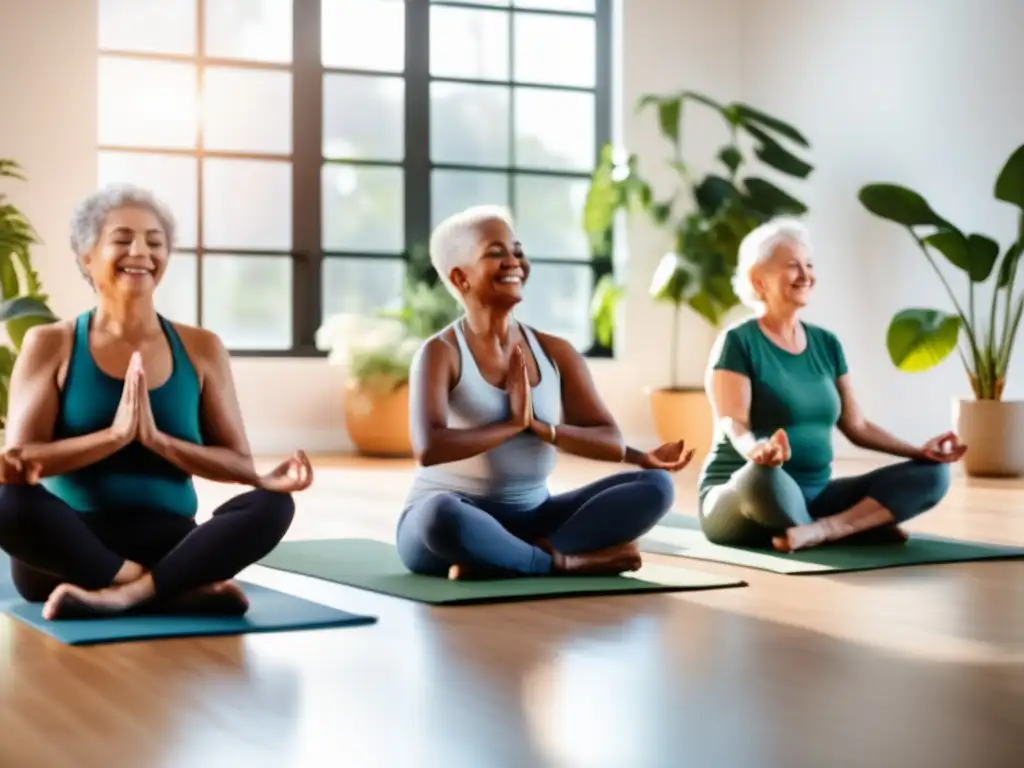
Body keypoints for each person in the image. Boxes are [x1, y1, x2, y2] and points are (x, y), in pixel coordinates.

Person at [0, 183, 313, 620]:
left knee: (274, 503)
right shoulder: (51, 343)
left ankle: (128, 593)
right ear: (86, 256)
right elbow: (17, 463)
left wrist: (158, 441)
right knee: (4, 499)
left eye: (155, 241)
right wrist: (113, 438)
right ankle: (161, 587)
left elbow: (237, 463)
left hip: (168, 539)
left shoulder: (202, 347)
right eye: (123, 239)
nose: (141, 252)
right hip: (68, 551)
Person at [397, 204, 693, 580]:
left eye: (517, 250)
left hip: (535, 517)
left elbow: (605, 434)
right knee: (441, 517)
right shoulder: (441, 353)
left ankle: (506, 559)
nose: (514, 261)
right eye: (495, 252)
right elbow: (428, 448)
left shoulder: (555, 352)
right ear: (460, 278)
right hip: (453, 516)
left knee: (655, 486)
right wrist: (510, 425)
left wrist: (543, 429)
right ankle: (559, 563)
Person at [697, 217, 965, 553]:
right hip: (747, 493)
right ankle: (860, 526)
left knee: (934, 475)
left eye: (809, 265)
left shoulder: (826, 344)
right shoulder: (738, 342)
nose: (806, 275)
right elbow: (733, 422)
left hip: (817, 496)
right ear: (758, 280)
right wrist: (757, 451)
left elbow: (858, 426)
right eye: (793, 266)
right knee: (763, 481)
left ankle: (828, 528)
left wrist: (920, 452)